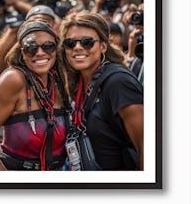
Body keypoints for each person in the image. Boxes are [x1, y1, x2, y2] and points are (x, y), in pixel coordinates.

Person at [0, 19, 71, 171]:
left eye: (48, 46)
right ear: (22, 53)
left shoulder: (59, 80)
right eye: (31, 48)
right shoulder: (14, 79)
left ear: (56, 49)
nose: (40, 52)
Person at [60, 10, 144, 170]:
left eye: (87, 42)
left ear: (103, 46)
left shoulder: (118, 82)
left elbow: (148, 147)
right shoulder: (77, 81)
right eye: (70, 43)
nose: (77, 47)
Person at [0, 4, 58, 88]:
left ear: (55, 25)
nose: (38, 25)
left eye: (44, 21)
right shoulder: (19, 48)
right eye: (33, 22)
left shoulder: (64, 45)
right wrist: (12, 32)